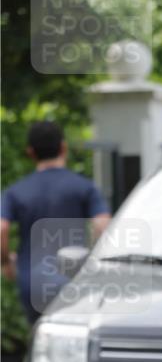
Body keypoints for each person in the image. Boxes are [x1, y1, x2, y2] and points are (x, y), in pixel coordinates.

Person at [1, 120, 111, 324]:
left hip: (32, 283)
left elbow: (2, 227)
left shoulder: (16, 192)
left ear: (31, 152)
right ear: (63, 147)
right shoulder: (84, 187)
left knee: (39, 339)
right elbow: (102, 225)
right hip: (73, 281)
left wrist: (6, 262)